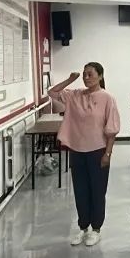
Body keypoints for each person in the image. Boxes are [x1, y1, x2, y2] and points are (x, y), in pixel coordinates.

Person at [49, 63, 121, 247]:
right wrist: (70, 79)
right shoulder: (75, 94)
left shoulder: (107, 98)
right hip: (77, 150)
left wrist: (108, 153)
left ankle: (96, 229)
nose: (86, 78)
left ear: (100, 76)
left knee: (97, 191)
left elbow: (112, 129)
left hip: (98, 150)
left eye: (90, 74)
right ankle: (83, 227)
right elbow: (52, 92)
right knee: (80, 191)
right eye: (84, 75)